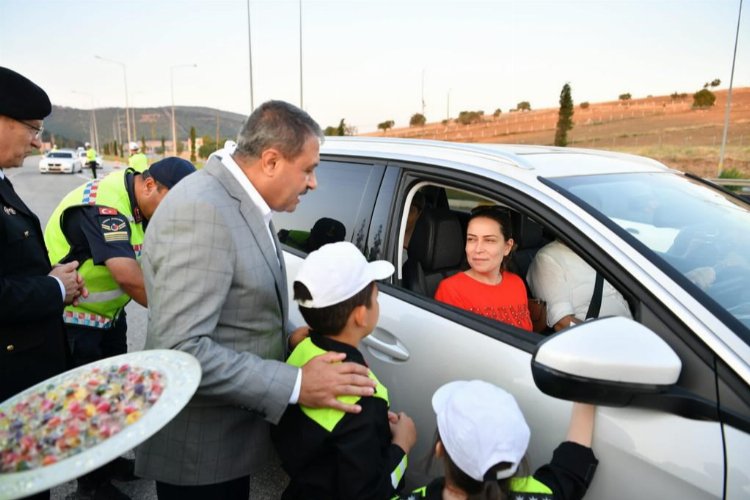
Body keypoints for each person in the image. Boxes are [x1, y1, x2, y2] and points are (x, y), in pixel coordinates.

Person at [135, 100, 377, 500]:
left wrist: (290, 335)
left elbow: (239, 300)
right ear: (270, 161)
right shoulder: (203, 212)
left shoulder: (237, 200)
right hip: (200, 458)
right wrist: (298, 383)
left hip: (225, 445)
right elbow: (182, 351)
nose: (313, 183)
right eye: (309, 169)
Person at [44, 157, 195, 500]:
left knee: (109, 396)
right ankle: (90, 488)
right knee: (86, 402)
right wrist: (181, 315)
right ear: (149, 185)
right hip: (74, 318)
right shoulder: (106, 205)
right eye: (172, 202)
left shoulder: (142, 205)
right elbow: (126, 273)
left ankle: (107, 465)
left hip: (106, 317)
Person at [0, 66, 86, 500]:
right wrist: (55, 290)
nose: (37, 142)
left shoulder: (3, 184)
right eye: (32, 129)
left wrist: (55, 278)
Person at [272, 241, 417, 499]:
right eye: (376, 297)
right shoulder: (363, 398)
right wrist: (401, 447)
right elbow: (369, 493)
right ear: (361, 316)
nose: (378, 301)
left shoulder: (302, 350)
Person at [395, 380, 598, 500]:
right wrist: (587, 387)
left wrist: (399, 447)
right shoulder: (540, 496)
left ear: (439, 450)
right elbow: (572, 467)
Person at [435, 206, 532, 331]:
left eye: (489, 240)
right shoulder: (451, 290)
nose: (478, 249)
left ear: (507, 247)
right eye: (471, 239)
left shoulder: (516, 283)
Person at [526, 239, 632, 331]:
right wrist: (602, 340)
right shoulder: (548, 258)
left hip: (631, 329)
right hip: (600, 345)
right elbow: (562, 323)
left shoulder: (596, 249)